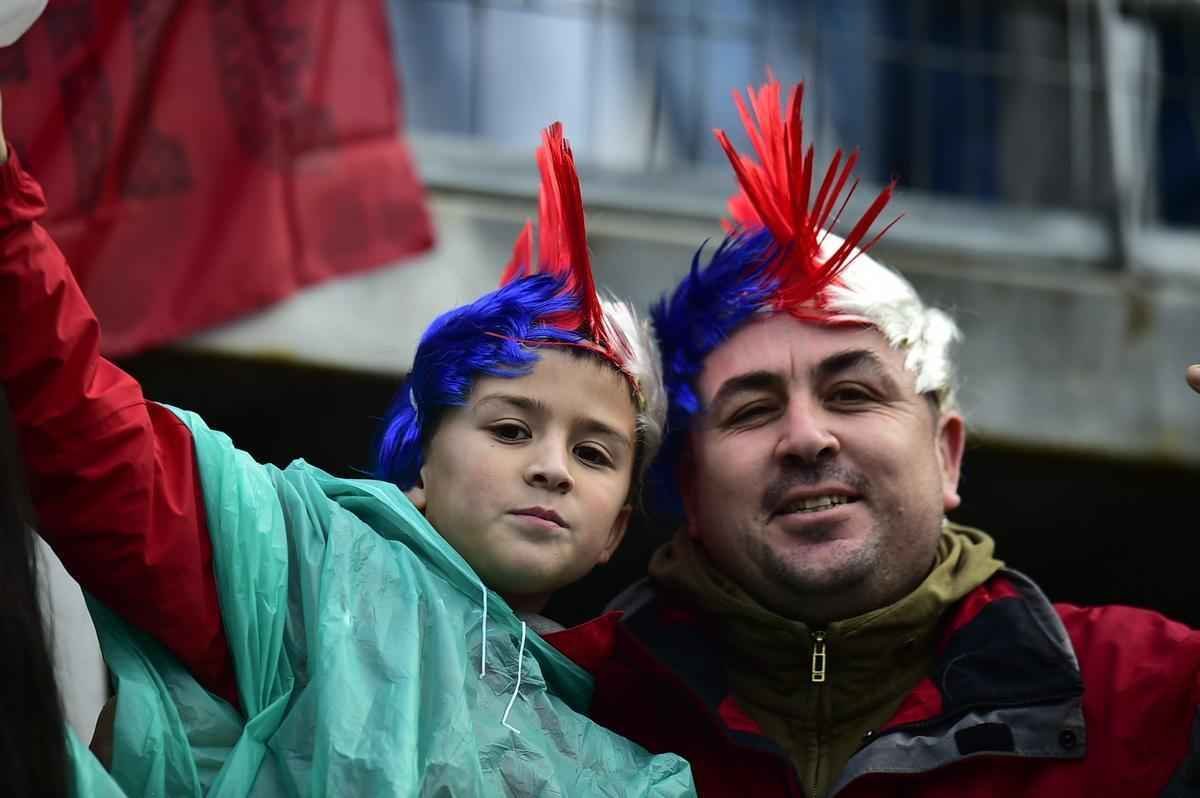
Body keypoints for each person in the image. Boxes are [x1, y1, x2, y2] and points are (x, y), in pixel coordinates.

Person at [0, 85, 693, 796]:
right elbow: (89, 440)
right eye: (512, 430)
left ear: (618, 529)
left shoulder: (635, 780)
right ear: (422, 461)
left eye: (593, 453)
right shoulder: (303, 567)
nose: (552, 468)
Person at [552, 78, 1200, 797]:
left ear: (946, 453)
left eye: (851, 393)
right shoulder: (553, 699)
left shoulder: (1151, 693)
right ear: (693, 492)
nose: (806, 437)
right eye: (752, 410)